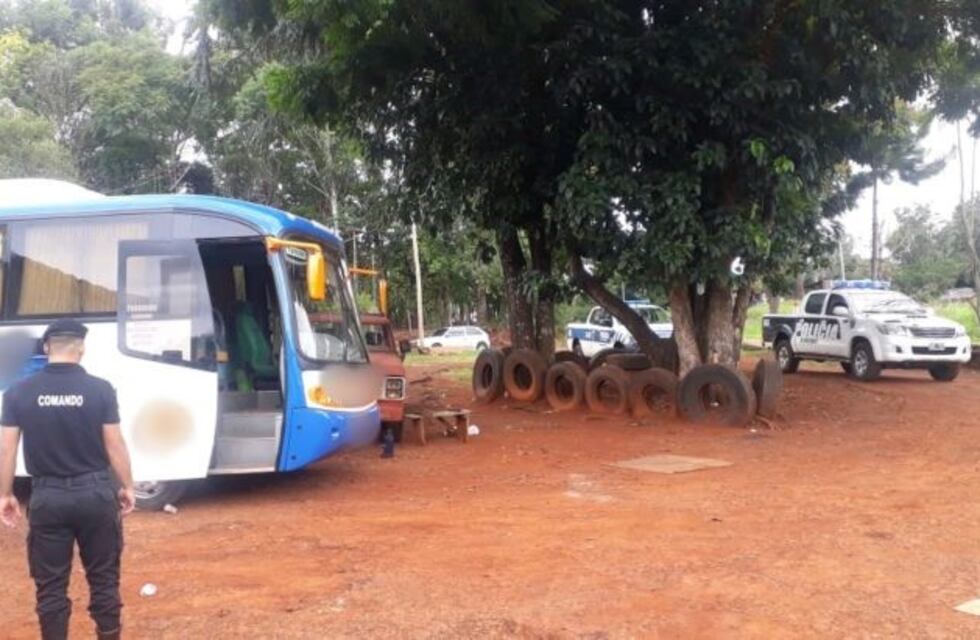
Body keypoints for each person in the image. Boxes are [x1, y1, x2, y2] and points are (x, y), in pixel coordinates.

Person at [0, 319, 135, 640]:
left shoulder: (18, 392)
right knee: (103, 579)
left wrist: (5, 493)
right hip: (95, 494)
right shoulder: (100, 389)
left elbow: (6, 448)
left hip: (48, 498)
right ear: (81, 348)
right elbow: (114, 443)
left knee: (51, 586)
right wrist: (128, 485)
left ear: (47, 348)